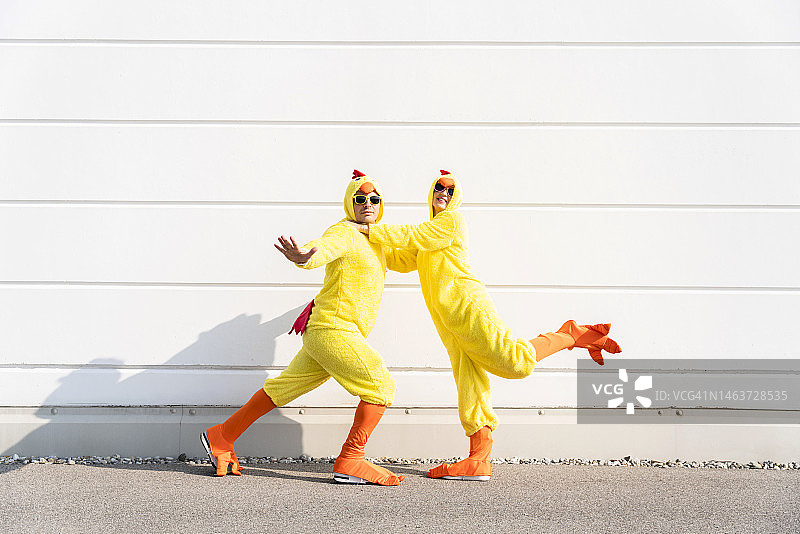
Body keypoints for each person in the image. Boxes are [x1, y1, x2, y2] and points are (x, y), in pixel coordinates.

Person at [357, 170, 621, 481]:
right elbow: (402, 258)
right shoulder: (431, 232)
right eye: (438, 188)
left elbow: (415, 235)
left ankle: (570, 334)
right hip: (450, 323)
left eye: (449, 190)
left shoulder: (450, 222)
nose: (443, 193)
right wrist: (361, 243)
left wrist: (368, 229)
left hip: (470, 309)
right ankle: (478, 458)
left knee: (516, 363)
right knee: (471, 385)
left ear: (456, 197)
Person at [201, 170, 417, 485]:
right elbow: (323, 247)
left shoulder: (379, 239)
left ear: (381, 204)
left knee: (282, 388)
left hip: (329, 334)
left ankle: (222, 435)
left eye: (374, 199)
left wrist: (441, 236)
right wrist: (303, 256)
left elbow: (410, 257)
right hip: (334, 330)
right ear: (350, 203)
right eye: (360, 199)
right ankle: (351, 459)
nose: (367, 203)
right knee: (380, 387)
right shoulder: (345, 232)